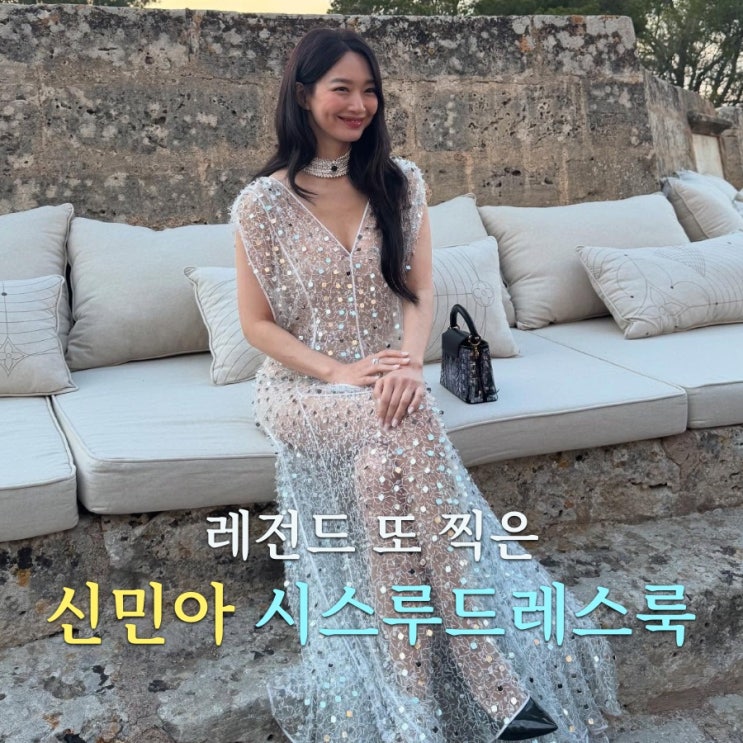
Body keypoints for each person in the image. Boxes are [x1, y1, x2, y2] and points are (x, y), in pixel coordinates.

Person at [232, 27, 620, 743]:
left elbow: (418, 292)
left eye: (369, 90)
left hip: (388, 379)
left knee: (381, 471)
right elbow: (256, 325)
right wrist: (340, 371)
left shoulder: (399, 182)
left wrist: (409, 365)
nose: (359, 104)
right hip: (301, 390)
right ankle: (485, 668)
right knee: (403, 422)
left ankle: (410, 695)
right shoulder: (262, 203)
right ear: (304, 95)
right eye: (342, 89)